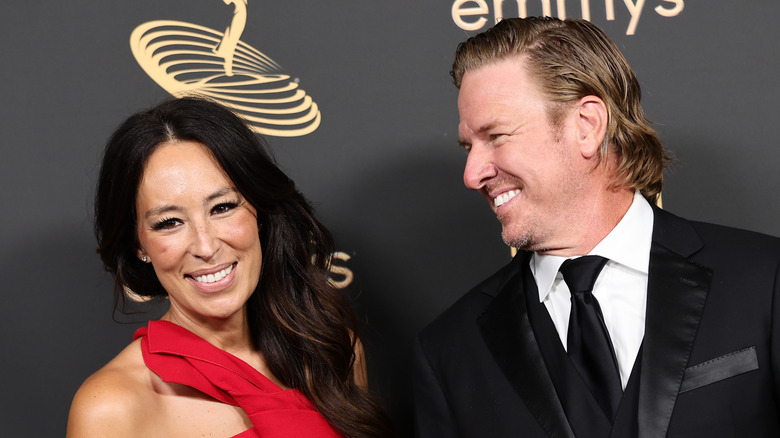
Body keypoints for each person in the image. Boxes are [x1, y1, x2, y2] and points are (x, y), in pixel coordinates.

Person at [413, 17, 780, 437]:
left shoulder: (765, 281)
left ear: (586, 126)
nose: (472, 173)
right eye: (468, 146)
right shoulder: (449, 350)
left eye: (495, 136)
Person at [67, 97, 391, 438]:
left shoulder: (333, 354)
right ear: (139, 245)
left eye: (222, 207)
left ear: (259, 212)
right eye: (169, 222)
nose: (205, 247)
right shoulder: (110, 409)